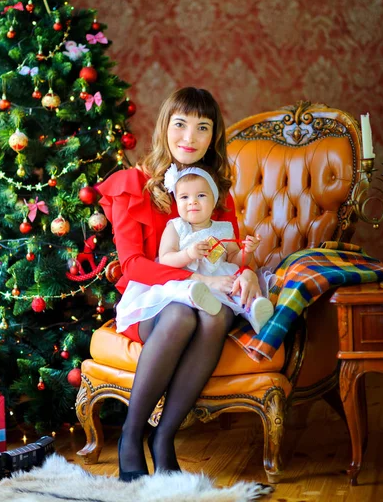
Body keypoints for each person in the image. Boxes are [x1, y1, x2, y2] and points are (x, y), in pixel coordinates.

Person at [97, 87, 262, 481]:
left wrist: (249, 271)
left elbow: (230, 253)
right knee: (181, 316)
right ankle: (131, 435)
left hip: (206, 296)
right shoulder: (130, 184)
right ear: (164, 127)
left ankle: (163, 437)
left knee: (214, 311)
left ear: (213, 137)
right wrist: (195, 277)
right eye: (181, 124)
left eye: (202, 128)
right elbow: (133, 265)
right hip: (150, 304)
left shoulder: (212, 190)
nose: (190, 137)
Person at [117, 164, 275, 334]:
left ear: (213, 201)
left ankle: (255, 312)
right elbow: (165, 258)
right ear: (177, 201)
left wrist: (247, 251)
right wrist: (188, 254)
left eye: (201, 195)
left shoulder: (224, 229)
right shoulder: (176, 227)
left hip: (219, 277)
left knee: (236, 288)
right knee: (186, 289)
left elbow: (233, 258)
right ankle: (197, 298)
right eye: (184, 197)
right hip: (186, 278)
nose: (192, 201)